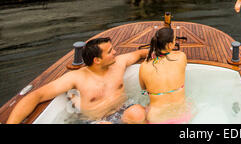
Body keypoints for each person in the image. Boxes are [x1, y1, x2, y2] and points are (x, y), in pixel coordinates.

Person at [6, 37, 148, 124]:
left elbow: (140, 53)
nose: (115, 53)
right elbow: (37, 96)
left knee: (139, 113)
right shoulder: (76, 78)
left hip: (123, 109)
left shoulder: (119, 63)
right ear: (97, 60)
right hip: (96, 120)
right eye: (110, 51)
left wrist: (166, 53)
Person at [122, 27, 189, 124]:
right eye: (175, 40)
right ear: (170, 45)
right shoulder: (181, 56)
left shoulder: (144, 66)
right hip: (182, 116)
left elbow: (144, 90)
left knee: (133, 113)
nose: (176, 43)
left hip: (156, 120)